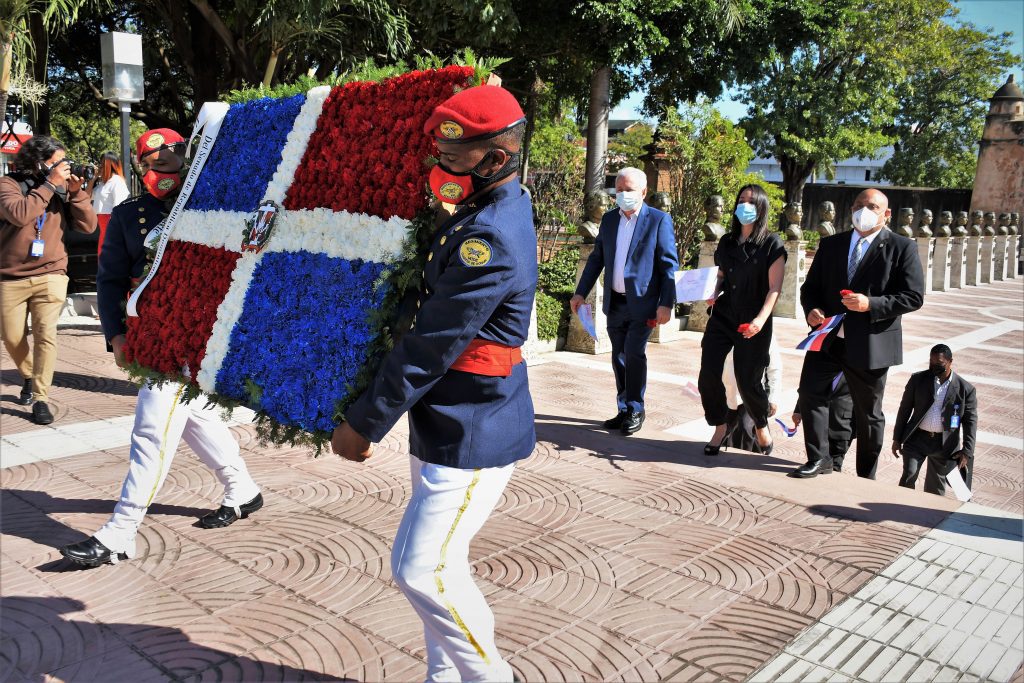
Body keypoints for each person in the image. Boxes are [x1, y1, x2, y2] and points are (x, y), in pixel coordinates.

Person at [331, 84, 535, 683]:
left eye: (455, 154)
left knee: (422, 571)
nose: (440, 164)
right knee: (442, 567)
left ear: (496, 159)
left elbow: (429, 348)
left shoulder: (488, 237)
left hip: (474, 426)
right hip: (450, 421)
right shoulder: (486, 211)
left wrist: (364, 422)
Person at [60, 128, 262, 568]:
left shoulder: (214, 206)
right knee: (193, 418)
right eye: (148, 167)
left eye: (165, 165)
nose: (156, 174)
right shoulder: (129, 212)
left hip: (200, 333)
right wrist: (116, 334)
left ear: (185, 162)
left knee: (153, 426)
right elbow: (110, 277)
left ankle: (120, 530)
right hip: (154, 334)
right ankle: (242, 489)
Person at [792, 188, 924, 479]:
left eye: (873, 206)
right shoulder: (831, 245)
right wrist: (812, 309)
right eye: (859, 205)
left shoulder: (902, 247)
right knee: (811, 395)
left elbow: (913, 296)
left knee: (868, 414)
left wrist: (871, 304)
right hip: (828, 338)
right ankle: (819, 458)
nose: (864, 210)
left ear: (886, 214)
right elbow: (809, 288)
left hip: (870, 343)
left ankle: (867, 473)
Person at [569, 167, 678, 436]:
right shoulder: (609, 220)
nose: (623, 194)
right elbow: (596, 259)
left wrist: (667, 303)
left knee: (633, 353)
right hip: (615, 302)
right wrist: (581, 292)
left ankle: (636, 408)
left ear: (643, 192)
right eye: (618, 190)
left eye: (628, 190)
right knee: (618, 356)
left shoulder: (658, 220)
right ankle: (624, 408)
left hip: (644, 303)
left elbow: (668, 265)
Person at [0, 135, 97, 424]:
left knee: (45, 334)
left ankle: (41, 398)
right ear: (38, 162)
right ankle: (29, 375)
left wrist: (77, 192)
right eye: (58, 163)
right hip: (10, 276)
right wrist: (49, 185)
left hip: (51, 272)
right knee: (11, 337)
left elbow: (88, 225)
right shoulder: (8, 184)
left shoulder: (62, 188)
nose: (64, 169)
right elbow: (20, 214)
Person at [698, 184, 786, 456]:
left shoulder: (772, 243)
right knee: (708, 374)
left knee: (748, 379)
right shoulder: (726, 242)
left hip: (753, 318)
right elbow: (722, 275)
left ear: (761, 208)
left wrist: (760, 320)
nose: (745, 206)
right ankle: (720, 424)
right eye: (741, 200)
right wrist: (713, 291)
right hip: (724, 315)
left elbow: (774, 288)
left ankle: (760, 422)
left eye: (751, 201)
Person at [893, 344, 977, 495]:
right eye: (931, 362)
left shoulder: (966, 389)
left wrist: (967, 450)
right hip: (917, 439)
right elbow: (904, 409)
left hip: (944, 445)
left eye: (939, 364)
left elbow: (970, 422)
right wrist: (897, 438)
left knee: (935, 488)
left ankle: (927, 517)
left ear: (950, 361)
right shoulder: (917, 379)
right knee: (908, 476)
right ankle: (900, 508)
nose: (934, 366)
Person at [722, 332, 782, 454]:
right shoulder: (725, 328)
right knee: (728, 429)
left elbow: (775, 368)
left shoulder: (766, 333)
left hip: (752, 394)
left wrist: (773, 398)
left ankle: (755, 455)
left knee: (747, 427)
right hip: (729, 394)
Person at [792, 373, 855, 472]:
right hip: (819, 426)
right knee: (817, 461)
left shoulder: (856, 367)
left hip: (842, 427)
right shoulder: (824, 364)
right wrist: (798, 410)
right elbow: (809, 388)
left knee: (834, 467)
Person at [91, 151, 130, 255]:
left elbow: (119, 207)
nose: (100, 166)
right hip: (103, 225)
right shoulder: (103, 183)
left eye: (102, 163)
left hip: (111, 223)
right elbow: (87, 195)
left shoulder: (117, 182)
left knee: (109, 255)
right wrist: (94, 177)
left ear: (109, 164)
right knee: (103, 255)